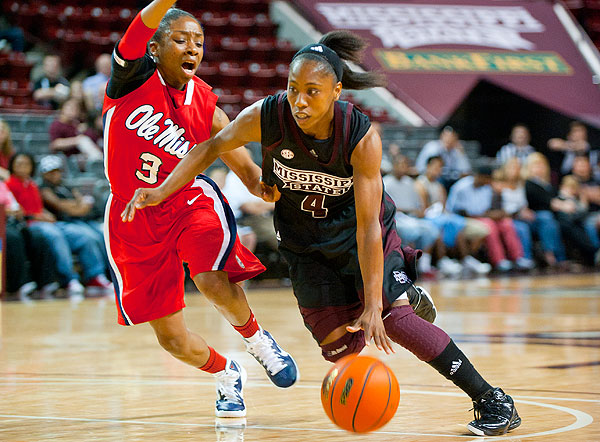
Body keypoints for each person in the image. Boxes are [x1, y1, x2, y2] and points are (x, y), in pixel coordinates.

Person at [122, 30, 521, 436]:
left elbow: (367, 227)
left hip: (358, 234)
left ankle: (492, 400)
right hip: (305, 241)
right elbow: (209, 147)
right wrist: (160, 191)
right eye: (294, 89)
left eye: (312, 91)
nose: (299, 101)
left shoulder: (359, 135)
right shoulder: (268, 115)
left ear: (336, 91)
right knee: (338, 348)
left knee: (389, 318)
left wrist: (371, 301)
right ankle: (402, 296)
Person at [102, 0, 298, 419]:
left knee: (210, 276)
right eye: (181, 40)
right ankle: (227, 372)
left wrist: (266, 187)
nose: (193, 48)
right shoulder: (130, 80)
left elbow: (238, 160)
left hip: (187, 202)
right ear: (155, 48)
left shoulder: (204, 100)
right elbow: (141, 24)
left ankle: (258, 340)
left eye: (199, 41)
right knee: (171, 339)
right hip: (131, 218)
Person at [6, 153, 109, 298]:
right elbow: (17, 209)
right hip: (30, 223)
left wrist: (45, 214)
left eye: (26, 164)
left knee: (86, 236)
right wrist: (39, 215)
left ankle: (96, 276)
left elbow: (40, 207)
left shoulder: (32, 185)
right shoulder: (11, 184)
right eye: (19, 164)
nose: (23, 168)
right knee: (56, 235)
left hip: (49, 221)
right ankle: (69, 279)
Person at [446, 165, 534, 272]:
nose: (489, 182)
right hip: (462, 219)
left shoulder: (486, 188)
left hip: (483, 216)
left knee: (506, 223)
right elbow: (458, 211)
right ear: (481, 177)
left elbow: (486, 210)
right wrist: (488, 216)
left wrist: (495, 214)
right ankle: (499, 260)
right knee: (489, 224)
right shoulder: (461, 187)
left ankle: (518, 258)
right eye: (488, 179)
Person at [415, 156, 492, 275]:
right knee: (436, 228)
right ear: (427, 167)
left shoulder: (439, 185)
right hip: (426, 217)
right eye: (435, 167)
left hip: (440, 216)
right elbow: (423, 208)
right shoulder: (420, 184)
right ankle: (442, 260)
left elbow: (444, 206)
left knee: (457, 225)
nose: (438, 170)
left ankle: (466, 259)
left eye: (440, 167)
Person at [415, 126, 471, 190]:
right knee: (441, 179)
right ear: (442, 136)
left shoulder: (456, 150)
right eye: (447, 137)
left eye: (452, 138)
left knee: (464, 182)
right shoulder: (433, 147)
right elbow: (428, 168)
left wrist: (461, 153)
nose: (449, 140)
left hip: (449, 180)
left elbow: (466, 170)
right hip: (430, 177)